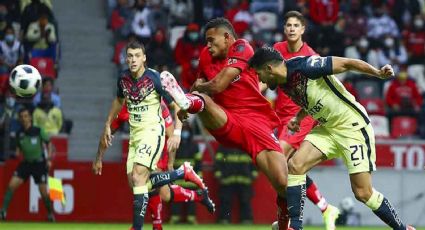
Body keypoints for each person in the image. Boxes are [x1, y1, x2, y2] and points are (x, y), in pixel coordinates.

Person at [248, 46, 416, 230]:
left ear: (269, 69)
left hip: (352, 128)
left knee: (363, 193)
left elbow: (347, 63)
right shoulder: (283, 83)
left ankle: (402, 228)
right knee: (295, 165)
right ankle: (296, 227)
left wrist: (377, 73)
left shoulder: (306, 66)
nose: (260, 79)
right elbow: (312, 100)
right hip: (327, 129)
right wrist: (299, 118)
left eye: (259, 74)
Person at [159, 17, 288, 227]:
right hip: (226, 119)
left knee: (283, 183)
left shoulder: (242, 47)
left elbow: (218, 85)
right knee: (205, 101)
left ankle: (283, 225)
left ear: (227, 37)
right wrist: (189, 101)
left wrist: (196, 91)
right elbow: (200, 84)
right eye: (206, 41)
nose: (207, 46)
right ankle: (186, 100)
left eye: (211, 40)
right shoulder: (204, 56)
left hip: (256, 122)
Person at [95, 40, 212, 230]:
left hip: (153, 133)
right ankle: (183, 173)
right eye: (130, 56)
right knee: (136, 184)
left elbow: (177, 104)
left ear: (144, 58)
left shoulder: (155, 79)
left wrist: (177, 133)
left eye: (137, 56)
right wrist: (108, 123)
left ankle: (139, 227)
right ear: (126, 58)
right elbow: (118, 100)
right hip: (136, 137)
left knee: (140, 177)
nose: (133, 60)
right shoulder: (123, 79)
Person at [93, 101, 215, 230]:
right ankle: (193, 191)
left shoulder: (158, 101)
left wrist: (170, 163)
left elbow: (172, 130)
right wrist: (99, 157)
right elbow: (108, 133)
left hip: (156, 143)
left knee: (142, 181)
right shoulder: (128, 106)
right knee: (160, 192)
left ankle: (150, 225)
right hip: (138, 145)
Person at [271, 11, 339, 230]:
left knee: (279, 161)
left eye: (295, 25)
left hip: (301, 116)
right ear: (284, 29)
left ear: (302, 30)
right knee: (291, 169)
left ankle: (287, 222)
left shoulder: (310, 56)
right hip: (279, 116)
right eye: (288, 25)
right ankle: (325, 207)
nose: (291, 28)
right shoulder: (277, 50)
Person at [0, 107, 54, 221]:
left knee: (43, 192)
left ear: (30, 117)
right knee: (11, 185)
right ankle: (3, 212)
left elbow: (49, 144)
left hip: (39, 164)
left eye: (25, 116)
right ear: (19, 119)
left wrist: (49, 159)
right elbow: (18, 151)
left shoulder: (38, 130)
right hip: (25, 164)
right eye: (21, 117)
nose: (24, 119)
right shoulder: (19, 134)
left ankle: (50, 214)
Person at [215, 145, 256, 224]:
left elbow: (254, 161)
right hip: (227, 180)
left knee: (245, 201)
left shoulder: (247, 146)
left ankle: (246, 220)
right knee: (225, 200)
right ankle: (224, 220)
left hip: (244, 180)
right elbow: (218, 161)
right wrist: (219, 175)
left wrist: (253, 175)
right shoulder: (224, 145)